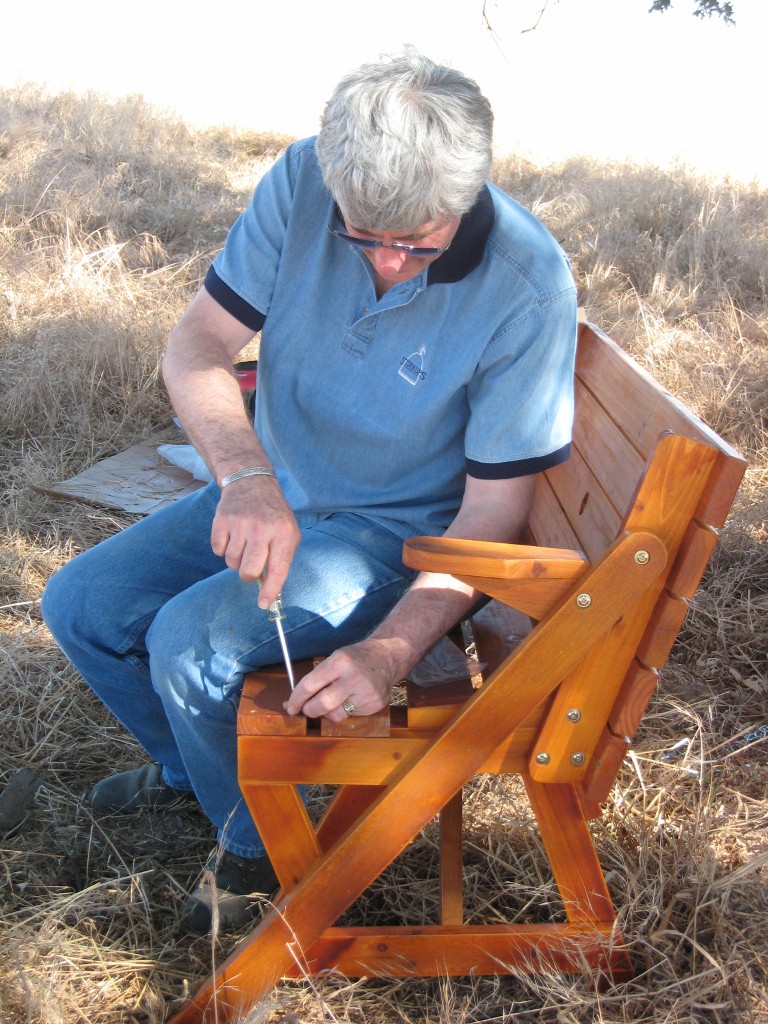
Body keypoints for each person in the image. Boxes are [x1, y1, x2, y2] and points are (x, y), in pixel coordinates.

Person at [41, 48, 577, 934]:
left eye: (421, 240)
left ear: (472, 193)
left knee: (192, 644)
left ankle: (255, 848)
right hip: (282, 488)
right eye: (366, 234)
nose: (393, 263)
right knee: (84, 604)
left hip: (389, 534)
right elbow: (197, 348)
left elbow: (490, 517)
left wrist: (392, 653)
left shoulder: (527, 285)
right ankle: (195, 777)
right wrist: (247, 479)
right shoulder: (302, 181)